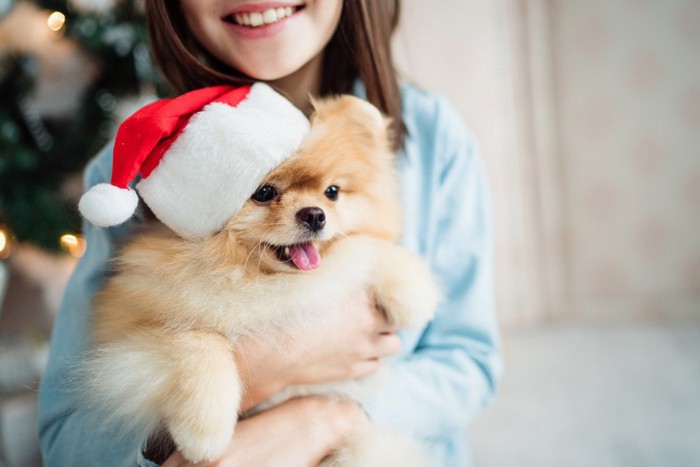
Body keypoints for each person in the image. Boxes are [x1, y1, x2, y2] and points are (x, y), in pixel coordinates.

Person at [38, 1, 502, 466]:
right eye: (263, 193)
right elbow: (66, 443)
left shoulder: (431, 135)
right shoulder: (136, 172)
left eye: (331, 192)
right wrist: (258, 370)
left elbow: (468, 360)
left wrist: (327, 419)